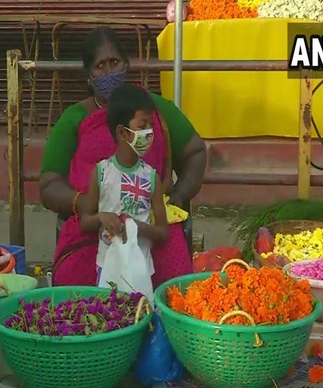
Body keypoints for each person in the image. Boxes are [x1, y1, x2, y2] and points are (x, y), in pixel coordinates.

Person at [40, 26, 207, 287]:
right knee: (77, 280)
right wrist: (82, 203)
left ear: (127, 65)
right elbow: (49, 184)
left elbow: (196, 151)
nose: (109, 73)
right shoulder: (75, 119)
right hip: (95, 224)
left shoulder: (154, 108)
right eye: (100, 66)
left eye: (114, 62)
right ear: (89, 76)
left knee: (173, 283)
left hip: (151, 222)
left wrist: (179, 196)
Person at [80, 84, 168, 286]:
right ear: (122, 132)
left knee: (139, 313)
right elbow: (85, 222)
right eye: (142, 125)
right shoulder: (101, 173)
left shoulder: (151, 177)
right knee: (108, 315)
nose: (149, 133)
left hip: (140, 268)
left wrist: (137, 227)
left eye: (151, 126)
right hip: (107, 266)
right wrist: (102, 218)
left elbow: (163, 232)